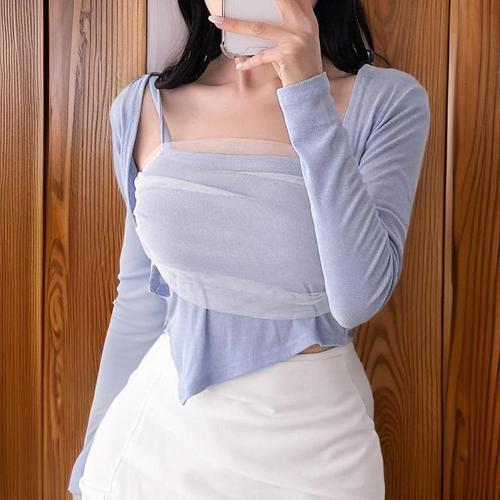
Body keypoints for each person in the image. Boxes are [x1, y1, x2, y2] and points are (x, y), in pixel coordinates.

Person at [69, 0, 431, 498]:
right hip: (154, 445)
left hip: (315, 453)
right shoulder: (144, 107)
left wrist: (307, 95)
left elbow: (357, 299)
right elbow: (139, 299)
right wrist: (90, 462)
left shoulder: (387, 102)